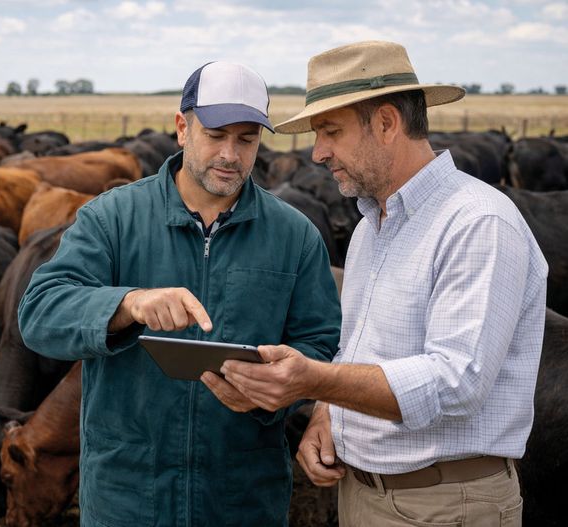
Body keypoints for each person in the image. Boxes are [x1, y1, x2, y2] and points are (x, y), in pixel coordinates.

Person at [220, 40, 548, 526]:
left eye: (330, 131)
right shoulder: (372, 229)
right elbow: (359, 354)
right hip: (366, 494)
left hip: (444, 504)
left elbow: (457, 383)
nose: (318, 152)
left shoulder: (478, 222)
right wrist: (326, 414)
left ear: (387, 123)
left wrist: (312, 380)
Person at [17, 61, 341, 526]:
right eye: (216, 134)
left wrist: (280, 387)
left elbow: (322, 341)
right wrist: (128, 304)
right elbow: (40, 313)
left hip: (242, 497)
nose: (230, 153)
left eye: (246, 138)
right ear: (182, 128)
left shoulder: (295, 236)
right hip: (127, 496)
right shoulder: (111, 218)